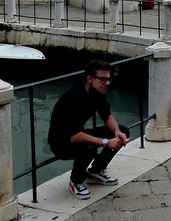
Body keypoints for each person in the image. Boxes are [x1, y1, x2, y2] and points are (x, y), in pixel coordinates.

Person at [48, 60, 129, 200]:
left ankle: (95, 171)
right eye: (103, 79)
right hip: (61, 142)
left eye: (109, 79)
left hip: (79, 134)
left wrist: (117, 132)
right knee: (89, 148)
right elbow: (73, 136)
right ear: (90, 79)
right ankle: (76, 181)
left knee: (123, 131)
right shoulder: (74, 97)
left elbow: (107, 115)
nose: (107, 83)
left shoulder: (97, 92)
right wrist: (105, 142)